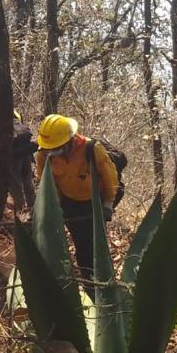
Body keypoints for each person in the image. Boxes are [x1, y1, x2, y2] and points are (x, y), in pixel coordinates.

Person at [34, 114, 120, 280]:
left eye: (56, 146)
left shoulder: (92, 149)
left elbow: (110, 177)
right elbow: (47, 185)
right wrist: (55, 208)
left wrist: (108, 203)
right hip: (69, 204)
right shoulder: (44, 156)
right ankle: (88, 280)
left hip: (94, 203)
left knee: (97, 244)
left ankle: (105, 279)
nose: (53, 150)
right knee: (81, 245)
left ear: (69, 140)